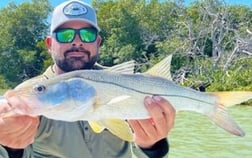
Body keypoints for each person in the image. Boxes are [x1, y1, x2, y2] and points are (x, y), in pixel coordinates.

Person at [0, 0, 175, 157]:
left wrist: (153, 148)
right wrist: (11, 148)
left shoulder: (126, 82)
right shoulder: (29, 93)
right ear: (49, 44)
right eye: (65, 35)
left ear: (97, 42)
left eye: (87, 34)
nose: (77, 42)